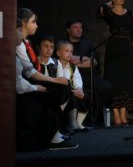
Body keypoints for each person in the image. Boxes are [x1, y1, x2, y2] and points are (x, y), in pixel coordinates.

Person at [15, 10, 77, 150]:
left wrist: (55, 81)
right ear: (23, 23)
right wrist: (53, 81)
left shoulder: (25, 43)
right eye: (33, 22)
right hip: (25, 86)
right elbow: (29, 73)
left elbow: (30, 71)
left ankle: (53, 131)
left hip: (30, 81)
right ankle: (52, 135)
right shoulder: (19, 44)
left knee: (64, 89)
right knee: (58, 89)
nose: (36, 25)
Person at [98, 0, 133, 126]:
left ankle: (123, 114)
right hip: (114, 48)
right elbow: (99, 11)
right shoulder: (108, 13)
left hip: (127, 48)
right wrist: (109, 4)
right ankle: (116, 115)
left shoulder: (129, 14)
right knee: (114, 80)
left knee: (126, 80)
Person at [65, 19, 112, 126]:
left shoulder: (87, 43)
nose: (79, 30)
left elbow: (93, 62)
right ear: (68, 30)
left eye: (80, 27)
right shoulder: (64, 44)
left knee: (105, 86)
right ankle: (78, 120)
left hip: (88, 75)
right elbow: (66, 60)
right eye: (75, 27)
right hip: (71, 76)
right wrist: (83, 59)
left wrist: (76, 60)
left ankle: (95, 117)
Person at [56, 40, 90, 133]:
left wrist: (79, 89)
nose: (69, 53)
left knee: (84, 96)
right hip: (61, 92)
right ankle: (71, 123)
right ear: (58, 53)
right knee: (70, 95)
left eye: (71, 51)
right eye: (66, 51)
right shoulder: (55, 64)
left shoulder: (72, 66)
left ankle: (79, 122)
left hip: (71, 91)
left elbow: (77, 79)